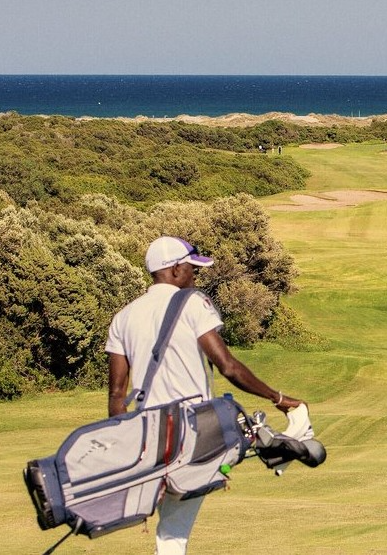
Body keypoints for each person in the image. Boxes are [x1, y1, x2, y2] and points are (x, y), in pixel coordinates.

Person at [105, 235, 303, 555]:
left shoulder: (123, 317)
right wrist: (278, 398)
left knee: (172, 527)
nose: (195, 275)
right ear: (174, 269)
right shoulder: (193, 303)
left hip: (148, 437)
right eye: (191, 268)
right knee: (173, 534)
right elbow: (228, 367)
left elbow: (117, 395)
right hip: (191, 434)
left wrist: (129, 446)